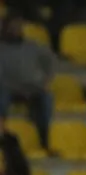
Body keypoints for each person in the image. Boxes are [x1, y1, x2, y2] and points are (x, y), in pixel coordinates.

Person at [0, 14, 55, 147]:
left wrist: (46, 79)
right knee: (2, 97)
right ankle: (2, 132)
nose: (16, 30)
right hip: (8, 87)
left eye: (18, 27)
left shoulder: (33, 46)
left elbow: (50, 61)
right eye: (12, 27)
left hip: (32, 87)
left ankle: (44, 134)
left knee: (46, 97)